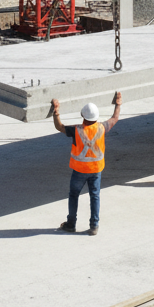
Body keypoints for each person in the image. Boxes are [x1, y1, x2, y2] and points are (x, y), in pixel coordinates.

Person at [51, 92, 123, 236]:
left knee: (74, 195)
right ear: (96, 117)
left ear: (83, 116)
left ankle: (71, 224)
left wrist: (56, 111)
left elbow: (59, 127)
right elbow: (115, 118)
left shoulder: (76, 130)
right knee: (94, 196)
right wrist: (118, 103)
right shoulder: (102, 128)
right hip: (96, 169)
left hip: (79, 170)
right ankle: (94, 226)